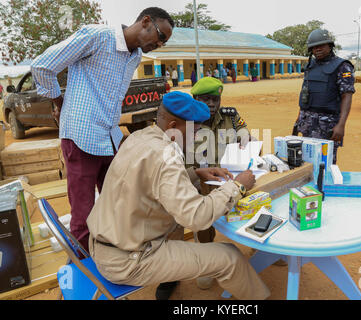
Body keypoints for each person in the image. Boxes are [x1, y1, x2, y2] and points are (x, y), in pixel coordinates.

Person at [87, 91, 271, 301]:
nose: (197, 138)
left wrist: (195, 173)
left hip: (104, 246)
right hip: (129, 261)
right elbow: (197, 218)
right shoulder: (167, 157)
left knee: (177, 214)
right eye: (194, 132)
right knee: (230, 257)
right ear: (173, 127)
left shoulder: (139, 137)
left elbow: (149, 181)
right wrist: (237, 186)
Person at [31, 7, 175, 253]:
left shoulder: (135, 56)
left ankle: (111, 258)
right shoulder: (97, 36)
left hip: (109, 137)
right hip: (81, 136)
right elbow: (42, 66)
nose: (159, 44)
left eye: (164, 42)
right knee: (83, 215)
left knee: (117, 203)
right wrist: (60, 103)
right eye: (160, 36)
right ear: (146, 21)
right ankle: (86, 271)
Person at [189, 77, 257, 289]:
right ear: (195, 99)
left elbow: (244, 131)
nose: (211, 104)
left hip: (230, 176)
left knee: (253, 201)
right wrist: (196, 176)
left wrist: (246, 139)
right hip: (201, 180)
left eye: (215, 99)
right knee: (203, 220)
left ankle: (258, 244)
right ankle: (207, 260)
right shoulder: (187, 122)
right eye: (205, 99)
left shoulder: (230, 115)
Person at [293, 29, 355, 164]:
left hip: (327, 125)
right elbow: (305, 92)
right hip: (307, 122)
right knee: (305, 162)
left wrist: (341, 125)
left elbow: (347, 96)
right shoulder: (310, 65)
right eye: (314, 47)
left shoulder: (342, 66)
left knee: (325, 164)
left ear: (330, 45)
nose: (317, 49)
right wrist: (299, 119)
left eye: (321, 45)